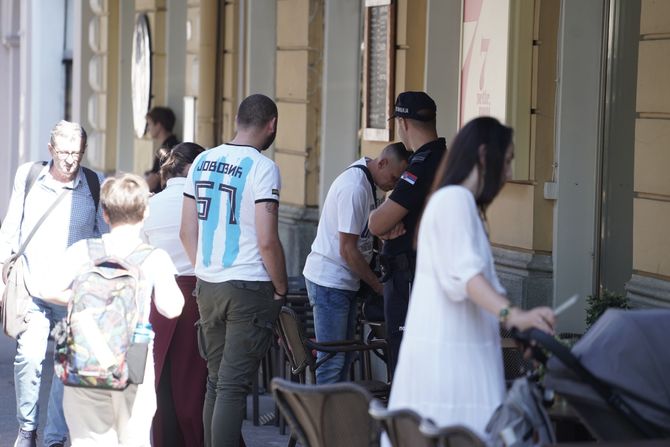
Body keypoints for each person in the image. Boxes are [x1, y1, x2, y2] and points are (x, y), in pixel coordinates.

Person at [385, 117, 555, 439]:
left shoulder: (452, 202)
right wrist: (516, 317)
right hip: (453, 376)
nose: (508, 173)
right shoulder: (455, 201)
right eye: (505, 162)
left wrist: (518, 328)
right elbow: (467, 278)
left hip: (450, 369)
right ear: (482, 155)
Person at [41, 173, 184, 446]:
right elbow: (172, 308)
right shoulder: (155, 258)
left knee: (89, 439)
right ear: (145, 212)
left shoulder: (83, 250)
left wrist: (83, 297)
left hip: (86, 358)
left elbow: (47, 289)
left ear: (104, 214)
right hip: (134, 360)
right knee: (134, 438)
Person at [180, 94, 288, 447]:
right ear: (271, 124)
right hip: (248, 285)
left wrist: (205, 270)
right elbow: (268, 239)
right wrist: (281, 287)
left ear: (237, 119)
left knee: (216, 382)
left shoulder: (201, 161)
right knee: (231, 387)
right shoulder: (262, 167)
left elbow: (186, 231)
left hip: (208, 284)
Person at [0, 120, 108, 447]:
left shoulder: (93, 183)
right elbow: (11, 229)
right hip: (32, 289)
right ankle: (27, 428)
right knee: (30, 357)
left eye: (76, 153)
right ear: (50, 149)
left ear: (84, 152)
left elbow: (103, 237)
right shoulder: (28, 176)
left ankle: (53, 438)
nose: (69, 160)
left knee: (65, 367)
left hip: (72, 295)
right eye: (63, 152)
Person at [302, 143, 409, 384]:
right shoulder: (355, 188)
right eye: (393, 177)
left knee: (343, 359)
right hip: (330, 282)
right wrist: (378, 286)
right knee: (332, 362)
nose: (394, 185)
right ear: (382, 163)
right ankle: (319, 421)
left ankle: (333, 419)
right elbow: (348, 249)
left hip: (343, 282)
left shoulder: (372, 184)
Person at [368, 91, 447, 378]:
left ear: (402, 122)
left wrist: (380, 220)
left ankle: (404, 422)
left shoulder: (423, 164)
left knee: (405, 365)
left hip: (410, 278)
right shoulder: (442, 158)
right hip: (421, 275)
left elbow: (377, 224)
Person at [142, 143, 208, 447]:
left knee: (160, 385)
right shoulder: (202, 202)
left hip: (159, 298)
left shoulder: (151, 204)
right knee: (194, 386)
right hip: (195, 296)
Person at [145, 106, 180, 193]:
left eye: (149, 124)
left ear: (159, 125)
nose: (148, 129)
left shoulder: (166, 149)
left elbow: (154, 179)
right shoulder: (174, 144)